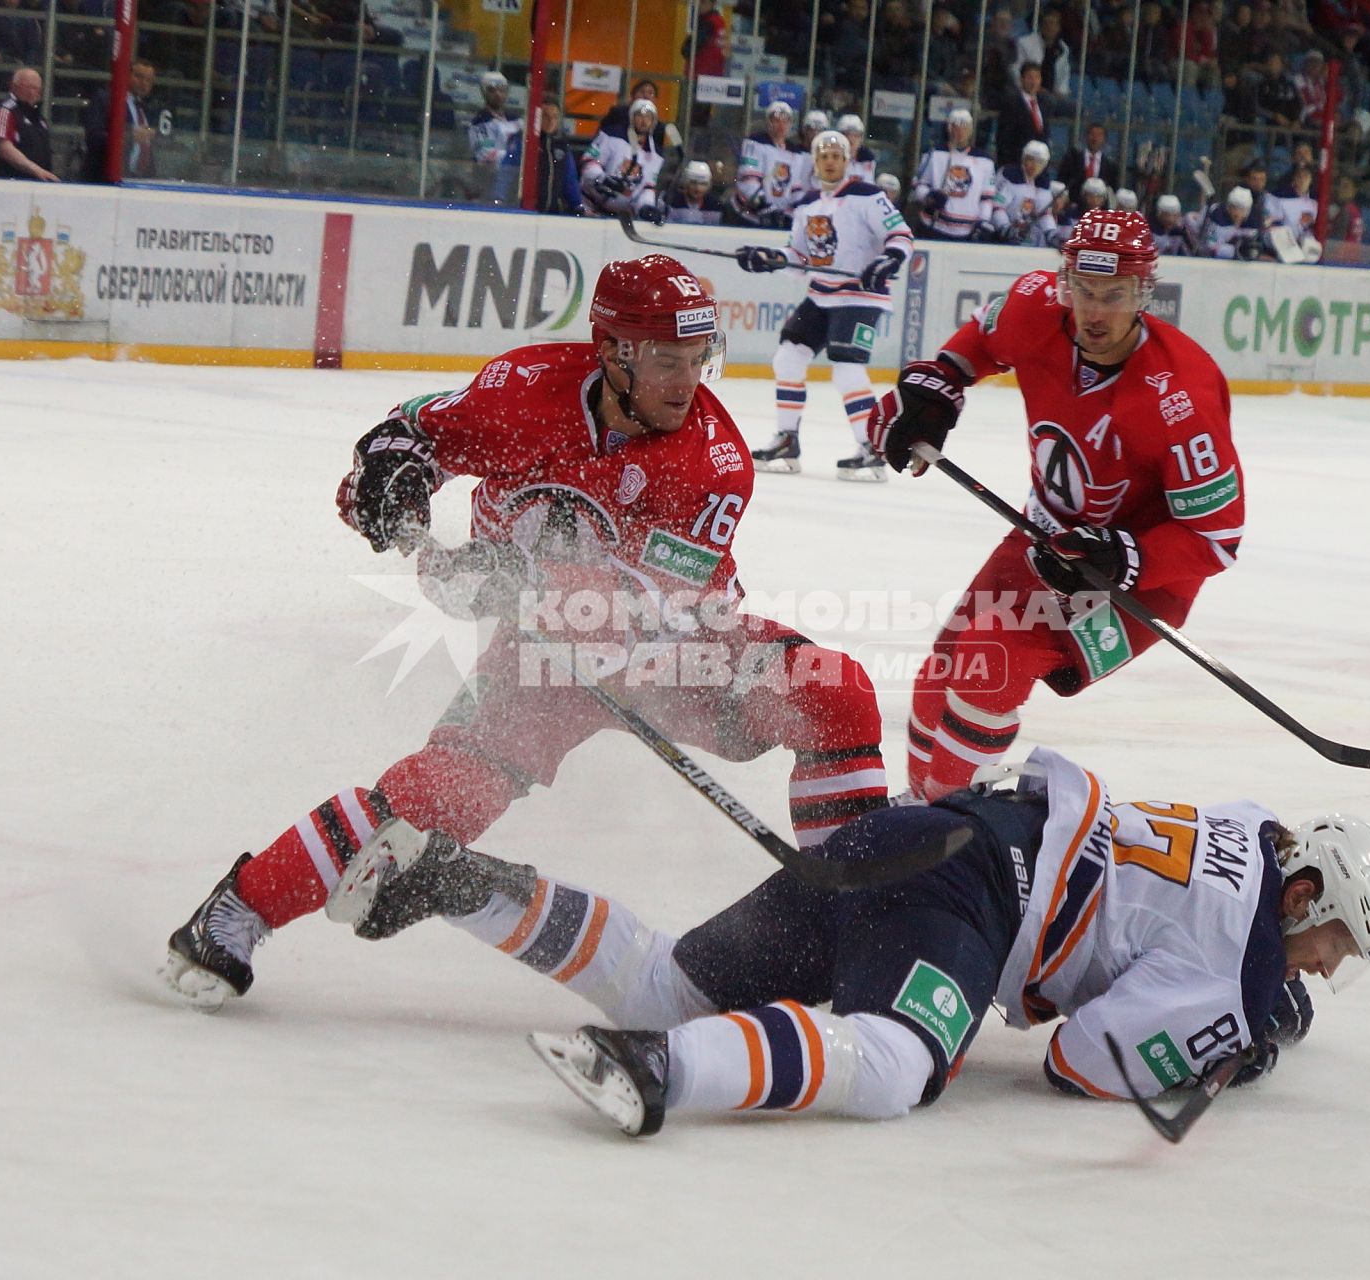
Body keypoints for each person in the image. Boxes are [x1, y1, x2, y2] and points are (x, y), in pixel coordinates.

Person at [161, 257, 890, 1008]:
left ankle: (869, 926)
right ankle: (240, 906)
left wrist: (520, 581)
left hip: (679, 652)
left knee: (832, 693)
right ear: (614, 352)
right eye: (669, 362)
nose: (688, 382)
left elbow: (660, 609)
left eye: (698, 361)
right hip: (538, 664)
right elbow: (415, 430)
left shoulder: (715, 462)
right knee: (433, 801)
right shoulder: (526, 389)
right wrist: (390, 480)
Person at [324, 746, 1370, 1137]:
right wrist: (1234, 1038)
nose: (1322, 967)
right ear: (1304, 890)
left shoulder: (1245, 835)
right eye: (1333, 942)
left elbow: (1199, 906)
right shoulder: (1236, 972)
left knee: (666, 979)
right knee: (898, 1065)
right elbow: (1080, 1063)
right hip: (973, 893)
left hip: (915, 829)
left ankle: (456, 879)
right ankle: (659, 1073)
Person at [866, 210, 1244, 800]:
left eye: (1113, 295)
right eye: (1083, 292)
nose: (1094, 312)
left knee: (995, 658)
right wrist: (939, 386)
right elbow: (980, 343)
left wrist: (1123, 557)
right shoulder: (1036, 308)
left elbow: (1216, 539)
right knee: (944, 667)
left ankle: (948, 833)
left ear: (1144, 293)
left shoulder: (1182, 395)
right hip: (1045, 539)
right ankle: (918, 811)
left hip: (1140, 584)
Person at [738, 131, 913, 479]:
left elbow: (901, 236)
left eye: (837, 155)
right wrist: (769, 258)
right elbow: (798, 257)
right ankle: (787, 439)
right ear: (815, 162)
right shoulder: (806, 204)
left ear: (847, 161)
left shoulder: (868, 195)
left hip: (861, 295)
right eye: (824, 156)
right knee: (788, 356)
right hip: (823, 292)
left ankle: (871, 448)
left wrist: (888, 261)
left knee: (847, 368)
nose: (830, 161)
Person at [909, 108, 997, 241]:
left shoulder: (985, 161)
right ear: (949, 128)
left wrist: (983, 222)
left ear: (971, 130)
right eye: (956, 127)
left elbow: (986, 198)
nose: (960, 132)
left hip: (967, 232)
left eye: (965, 127)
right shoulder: (933, 154)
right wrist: (929, 197)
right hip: (934, 226)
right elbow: (918, 186)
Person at [581, 98, 668, 220]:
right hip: (589, 206)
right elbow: (588, 162)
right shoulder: (611, 135)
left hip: (622, 217)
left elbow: (647, 187)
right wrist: (600, 179)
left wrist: (645, 207)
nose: (644, 121)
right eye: (640, 116)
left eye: (648, 117)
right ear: (632, 117)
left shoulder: (656, 154)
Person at [81, 58, 156, 182]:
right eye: (139, 77)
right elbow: (93, 136)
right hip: (104, 180)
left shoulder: (147, 108)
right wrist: (129, 136)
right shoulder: (105, 99)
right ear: (127, 75)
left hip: (137, 181)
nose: (144, 83)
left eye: (148, 80)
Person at [735, 101, 807, 228]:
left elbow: (796, 188)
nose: (781, 125)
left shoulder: (796, 153)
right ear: (768, 122)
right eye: (776, 121)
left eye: (785, 121)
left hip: (780, 218)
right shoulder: (754, 143)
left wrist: (794, 211)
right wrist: (764, 206)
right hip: (751, 216)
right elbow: (748, 180)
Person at [0, 67, 57, 181]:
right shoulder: (5, 111)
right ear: (14, 86)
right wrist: (36, 170)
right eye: (28, 87)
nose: (33, 92)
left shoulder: (38, 118)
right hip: (12, 182)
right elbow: (5, 149)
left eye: (37, 88)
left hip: (38, 182)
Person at [992, 140, 1057, 246]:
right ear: (1023, 159)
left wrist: (1051, 233)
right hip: (1001, 237)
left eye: (1040, 161)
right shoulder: (1011, 177)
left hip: (1027, 238)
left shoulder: (1043, 184)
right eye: (1031, 159)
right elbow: (997, 207)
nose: (1034, 165)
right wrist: (1005, 228)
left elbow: (1044, 214)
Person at [995, 62, 1051, 168]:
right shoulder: (1012, 103)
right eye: (1029, 77)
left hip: (1039, 165)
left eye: (1037, 77)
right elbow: (1004, 137)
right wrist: (1006, 164)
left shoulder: (1044, 103)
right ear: (1022, 79)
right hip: (1017, 162)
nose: (1033, 81)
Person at [469, 70, 520, 166]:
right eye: (492, 90)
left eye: (502, 90)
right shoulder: (479, 123)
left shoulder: (516, 120)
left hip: (514, 177)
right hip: (488, 177)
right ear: (484, 93)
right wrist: (516, 155)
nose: (498, 94)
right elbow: (486, 154)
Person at [1058, 122, 1121, 193]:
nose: (1095, 138)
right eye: (1092, 134)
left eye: (1099, 135)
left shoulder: (1110, 165)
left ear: (1104, 139)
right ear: (1086, 136)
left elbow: (1114, 189)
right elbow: (1062, 182)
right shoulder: (1072, 159)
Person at [664, 160, 726, 225]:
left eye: (703, 184)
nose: (698, 188)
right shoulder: (671, 203)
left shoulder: (714, 206)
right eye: (693, 183)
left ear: (708, 186)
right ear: (686, 183)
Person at [836, 114, 877, 183]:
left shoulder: (867, 159)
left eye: (856, 135)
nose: (851, 139)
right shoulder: (830, 158)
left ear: (861, 138)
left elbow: (868, 185)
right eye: (847, 135)